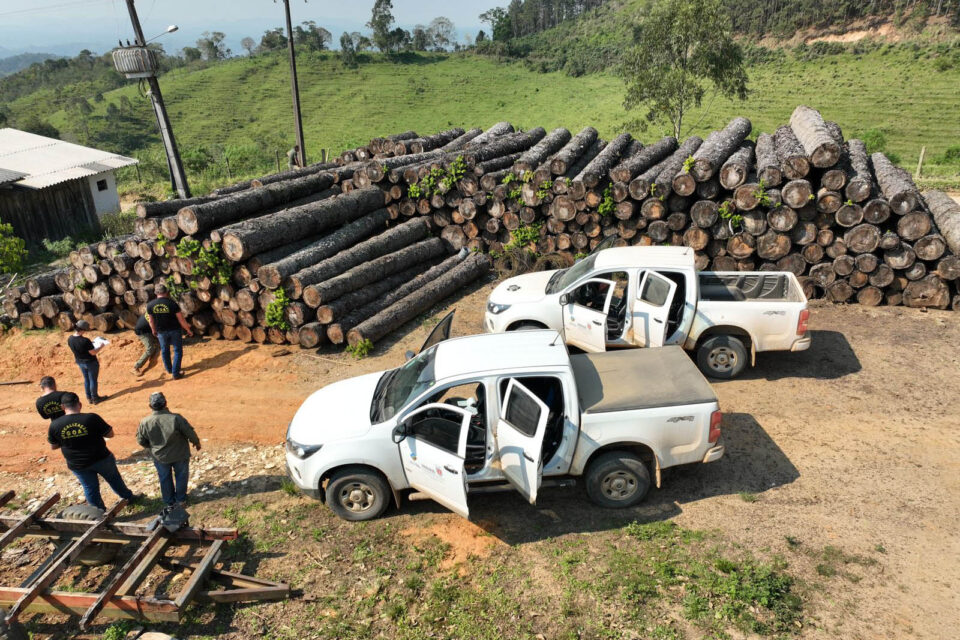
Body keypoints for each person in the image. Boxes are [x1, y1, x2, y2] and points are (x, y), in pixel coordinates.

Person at [48, 392, 139, 511]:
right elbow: (110, 434)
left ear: (62, 407)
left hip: (77, 464)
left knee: (89, 487)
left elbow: (53, 446)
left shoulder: (55, 425)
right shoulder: (91, 418)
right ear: (79, 404)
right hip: (101, 458)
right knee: (114, 479)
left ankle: (98, 512)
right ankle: (128, 498)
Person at [136, 392, 201, 507]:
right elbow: (189, 432)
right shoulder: (176, 418)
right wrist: (196, 442)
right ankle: (181, 500)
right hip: (180, 454)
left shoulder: (145, 422)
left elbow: (141, 440)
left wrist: (151, 447)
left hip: (160, 457)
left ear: (150, 406)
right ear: (165, 403)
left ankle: (169, 502)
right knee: (181, 475)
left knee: (164, 478)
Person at [146, 284, 194, 380]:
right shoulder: (172, 303)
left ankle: (169, 369)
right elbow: (181, 319)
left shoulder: (150, 305)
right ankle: (176, 373)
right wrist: (188, 330)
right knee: (177, 351)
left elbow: (151, 321)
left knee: (164, 351)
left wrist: (153, 330)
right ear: (166, 292)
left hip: (161, 332)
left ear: (156, 293)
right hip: (174, 330)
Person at [68, 320, 107, 404]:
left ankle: (89, 398)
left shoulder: (70, 339)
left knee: (86, 380)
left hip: (80, 362)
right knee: (93, 380)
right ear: (82, 329)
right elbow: (93, 352)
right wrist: (101, 346)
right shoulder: (85, 340)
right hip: (90, 362)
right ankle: (95, 398)